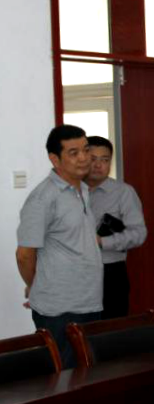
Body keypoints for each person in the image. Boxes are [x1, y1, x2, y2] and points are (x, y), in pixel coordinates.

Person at [16, 125, 103, 368]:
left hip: (90, 301)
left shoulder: (83, 190)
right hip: (60, 310)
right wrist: (36, 286)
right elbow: (24, 255)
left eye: (86, 149)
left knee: (89, 372)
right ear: (55, 159)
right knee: (66, 377)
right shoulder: (43, 198)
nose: (84, 157)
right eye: (74, 153)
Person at [85, 136, 147, 320]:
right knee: (77, 330)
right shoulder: (71, 191)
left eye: (105, 160)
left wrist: (102, 242)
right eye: (93, 159)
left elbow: (138, 234)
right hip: (75, 273)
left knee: (109, 329)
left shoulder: (123, 192)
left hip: (110, 273)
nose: (98, 165)